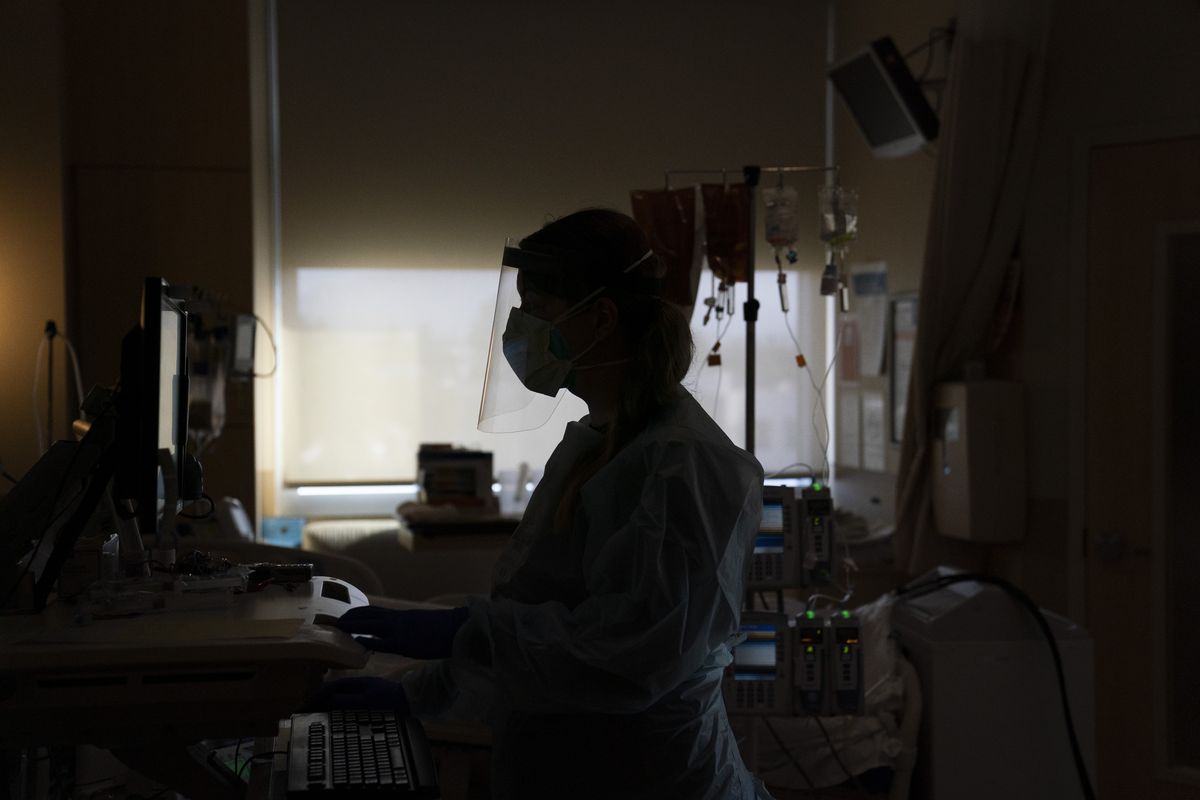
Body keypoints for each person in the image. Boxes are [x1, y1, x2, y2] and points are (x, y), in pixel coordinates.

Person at [315, 209, 771, 799]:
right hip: (571, 765)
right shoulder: (597, 442)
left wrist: (461, 633)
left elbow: (625, 658)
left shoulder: (687, 465)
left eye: (536, 308)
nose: (518, 327)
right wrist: (421, 690)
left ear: (601, 318)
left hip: (652, 776)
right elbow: (540, 636)